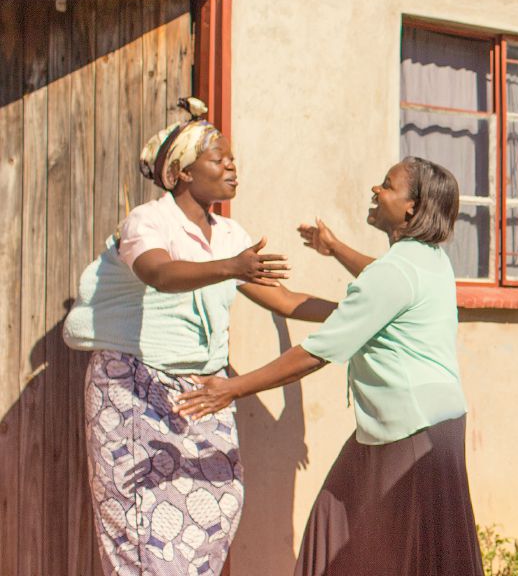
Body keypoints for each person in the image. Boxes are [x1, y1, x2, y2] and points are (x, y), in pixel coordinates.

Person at [63, 97, 338, 575]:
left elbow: (285, 300)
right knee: (141, 526)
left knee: (219, 503)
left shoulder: (229, 234)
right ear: (184, 172)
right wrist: (232, 267)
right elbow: (159, 274)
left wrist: (360, 313)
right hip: (134, 387)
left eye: (232, 158)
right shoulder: (148, 222)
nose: (231, 165)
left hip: (202, 392)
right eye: (218, 158)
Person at [175, 157, 485, 576]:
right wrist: (334, 247)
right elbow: (380, 277)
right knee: (336, 529)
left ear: (412, 207)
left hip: (411, 431)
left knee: (397, 555)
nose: (376, 190)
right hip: (425, 425)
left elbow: (315, 354)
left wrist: (232, 388)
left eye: (387, 185)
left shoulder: (398, 270)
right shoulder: (429, 260)